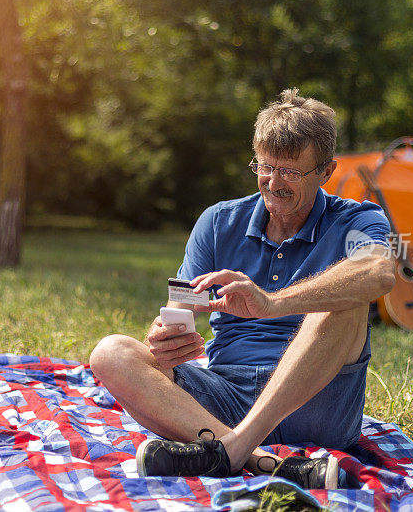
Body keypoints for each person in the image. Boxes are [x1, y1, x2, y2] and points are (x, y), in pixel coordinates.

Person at [89, 89, 395, 489]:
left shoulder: (359, 218)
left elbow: (378, 272)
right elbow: (182, 306)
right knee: (111, 352)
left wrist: (272, 303)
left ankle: (231, 452)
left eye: (291, 172)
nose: (274, 183)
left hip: (319, 402)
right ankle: (260, 460)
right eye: (265, 167)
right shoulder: (218, 221)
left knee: (345, 299)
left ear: (326, 172)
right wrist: (168, 337)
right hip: (224, 398)